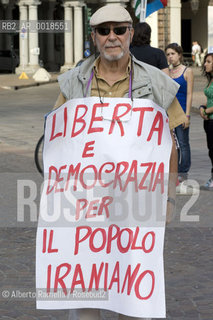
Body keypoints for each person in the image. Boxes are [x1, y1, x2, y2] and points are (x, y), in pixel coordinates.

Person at [53, 4, 187, 320]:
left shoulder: (157, 82)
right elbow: (58, 144)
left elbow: (170, 147)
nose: (111, 37)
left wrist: (168, 198)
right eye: (103, 31)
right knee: (85, 293)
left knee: (133, 292)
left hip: (139, 203)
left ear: (129, 33)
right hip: (87, 205)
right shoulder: (73, 82)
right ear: (94, 37)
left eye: (119, 30)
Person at [165, 43, 194, 188]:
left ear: (180, 55)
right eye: (168, 54)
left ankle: (183, 173)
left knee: (183, 144)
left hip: (182, 113)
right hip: (169, 114)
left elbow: (189, 94)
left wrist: (187, 115)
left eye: (173, 54)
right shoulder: (167, 72)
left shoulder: (187, 71)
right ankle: (174, 173)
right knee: (172, 145)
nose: (170, 57)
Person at [199, 53, 213, 190]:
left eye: (208, 62)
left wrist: (206, 111)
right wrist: (202, 107)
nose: (205, 64)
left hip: (211, 119)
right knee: (211, 150)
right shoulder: (210, 80)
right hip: (208, 121)